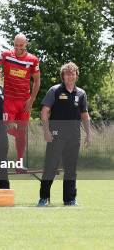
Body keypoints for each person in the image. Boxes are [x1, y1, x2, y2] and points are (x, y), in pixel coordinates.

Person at [38, 62, 90, 207]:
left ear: (76, 75)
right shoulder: (54, 90)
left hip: (74, 136)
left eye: (73, 73)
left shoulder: (81, 93)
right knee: (50, 167)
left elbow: (85, 115)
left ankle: (70, 199)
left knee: (71, 169)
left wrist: (89, 134)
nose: (70, 76)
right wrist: (46, 132)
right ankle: (43, 198)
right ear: (63, 76)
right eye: (67, 73)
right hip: (55, 135)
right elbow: (44, 112)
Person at [0, 33, 40, 168]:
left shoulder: (33, 60)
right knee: (6, 127)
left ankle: (19, 163)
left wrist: (31, 100)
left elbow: (37, 80)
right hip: (9, 100)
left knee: (22, 133)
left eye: (21, 46)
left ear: (26, 44)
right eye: (16, 45)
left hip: (24, 102)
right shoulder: (6, 55)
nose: (18, 48)